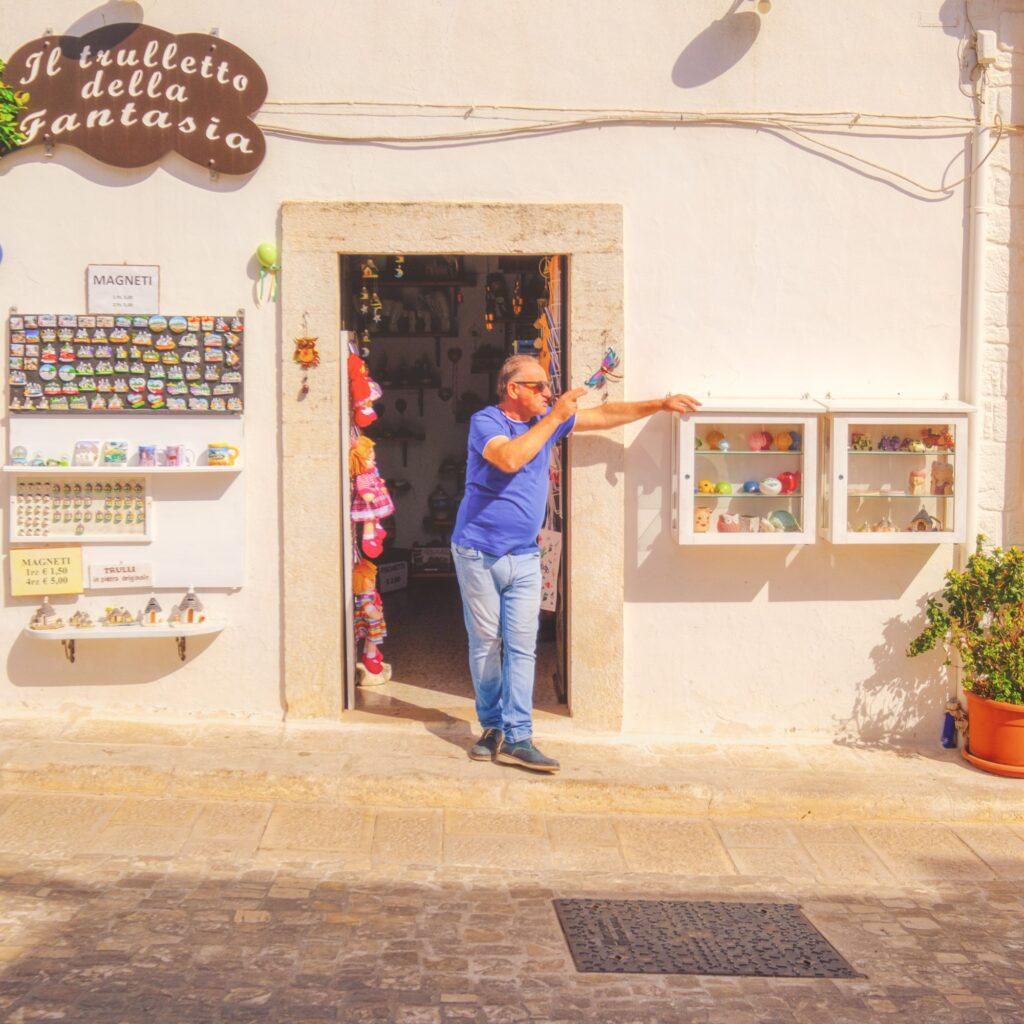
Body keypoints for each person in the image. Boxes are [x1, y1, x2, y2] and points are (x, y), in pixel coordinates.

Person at [451, 354, 700, 773]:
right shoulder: (487, 422)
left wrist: (659, 403)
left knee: (522, 646)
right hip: (477, 552)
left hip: (526, 555)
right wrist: (555, 417)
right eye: (539, 387)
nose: (548, 393)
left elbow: (604, 415)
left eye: (549, 387)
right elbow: (510, 458)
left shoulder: (547, 419)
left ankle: (518, 736)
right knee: (486, 644)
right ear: (513, 390)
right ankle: (491, 726)